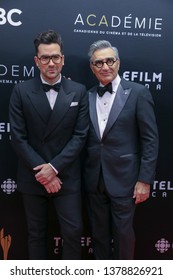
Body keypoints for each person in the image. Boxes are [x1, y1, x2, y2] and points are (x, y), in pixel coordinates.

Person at [9, 30, 89, 260]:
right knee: (36, 234)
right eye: (45, 58)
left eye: (55, 57)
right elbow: (18, 137)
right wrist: (43, 172)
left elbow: (80, 136)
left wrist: (53, 168)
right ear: (37, 61)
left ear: (63, 59)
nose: (51, 63)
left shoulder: (79, 91)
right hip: (33, 176)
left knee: (73, 233)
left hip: (66, 176)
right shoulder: (21, 91)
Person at [84, 40, 158, 260]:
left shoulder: (138, 93)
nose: (105, 66)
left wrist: (145, 180)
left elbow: (150, 139)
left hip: (126, 180)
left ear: (118, 63)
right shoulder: (87, 95)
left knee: (124, 235)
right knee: (98, 236)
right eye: (99, 62)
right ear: (92, 67)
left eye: (110, 61)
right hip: (94, 179)